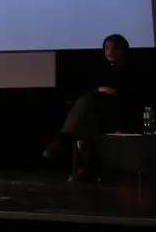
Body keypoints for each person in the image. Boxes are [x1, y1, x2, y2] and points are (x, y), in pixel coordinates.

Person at [43, 33, 139, 181]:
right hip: (96, 112)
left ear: (122, 50)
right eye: (106, 48)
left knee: (87, 106)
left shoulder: (132, 69)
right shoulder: (99, 69)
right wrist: (99, 90)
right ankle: (85, 168)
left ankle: (63, 141)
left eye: (114, 48)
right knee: (87, 110)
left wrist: (113, 92)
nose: (109, 52)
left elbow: (133, 94)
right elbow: (86, 89)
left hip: (118, 111)